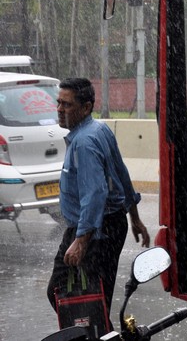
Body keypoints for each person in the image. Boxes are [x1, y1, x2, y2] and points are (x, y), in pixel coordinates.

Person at [47, 78, 150, 327]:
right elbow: (121, 173)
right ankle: (99, 331)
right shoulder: (99, 129)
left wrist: (81, 241)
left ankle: (100, 334)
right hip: (107, 224)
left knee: (73, 296)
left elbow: (95, 193)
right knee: (91, 300)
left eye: (67, 105)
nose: (60, 110)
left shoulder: (84, 142)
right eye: (58, 103)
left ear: (86, 107)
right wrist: (134, 217)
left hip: (95, 230)